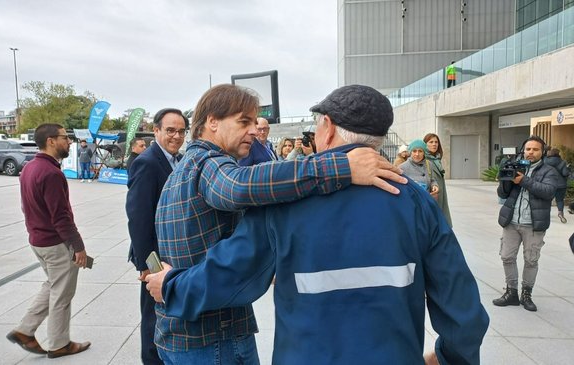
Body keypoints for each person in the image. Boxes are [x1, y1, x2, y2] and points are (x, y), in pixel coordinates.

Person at [148, 85, 489, 365]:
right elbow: (464, 311)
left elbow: (228, 274)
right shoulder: (416, 202)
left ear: (326, 129)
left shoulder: (284, 203)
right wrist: (448, 359)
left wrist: (171, 286)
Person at [7, 123, 91, 358]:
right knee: (62, 295)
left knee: (53, 284)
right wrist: (78, 246)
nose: (69, 142)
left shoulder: (30, 168)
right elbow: (61, 216)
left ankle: (25, 330)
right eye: (65, 137)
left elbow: (27, 207)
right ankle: (59, 344)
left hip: (38, 239)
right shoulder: (52, 173)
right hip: (55, 243)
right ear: (51, 141)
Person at [125, 108, 188, 365]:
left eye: (181, 131)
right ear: (156, 131)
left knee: (165, 314)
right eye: (170, 130)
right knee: (153, 317)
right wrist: (147, 264)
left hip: (172, 255)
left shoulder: (178, 159)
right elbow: (138, 217)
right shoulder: (147, 162)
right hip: (155, 257)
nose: (176, 136)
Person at [493, 136, 559, 312]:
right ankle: (511, 292)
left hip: (533, 224)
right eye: (528, 149)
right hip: (512, 221)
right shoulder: (516, 166)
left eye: (535, 149)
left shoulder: (549, 171)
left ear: (542, 152)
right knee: (507, 257)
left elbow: (548, 192)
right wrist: (505, 179)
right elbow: (503, 193)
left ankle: (526, 294)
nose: (530, 153)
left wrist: (522, 180)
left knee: (531, 260)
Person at [424, 133, 452, 226]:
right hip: (431, 198)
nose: (434, 144)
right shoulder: (424, 160)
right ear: (425, 144)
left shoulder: (436, 159)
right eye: (431, 142)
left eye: (436, 142)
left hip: (440, 197)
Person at [544, 148, 571, 223]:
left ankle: (546, 215)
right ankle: (560, 213)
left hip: (549, 184)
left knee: (547, 200)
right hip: (561, 185)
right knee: (559, 200)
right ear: (558, 154)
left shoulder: (545, 161)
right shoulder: (562, 162)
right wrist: (568, 169)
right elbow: (565, 173)